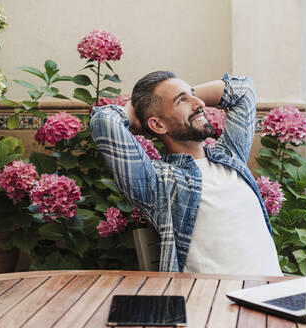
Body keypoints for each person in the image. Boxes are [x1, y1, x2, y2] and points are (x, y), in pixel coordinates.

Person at [90, 71, 282, 276]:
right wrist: (139, 108)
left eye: (193, 95)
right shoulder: (158, 182)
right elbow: (104, 122)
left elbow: (244, 90)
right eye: (182, 100)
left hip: (272, 296)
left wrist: (182, 94)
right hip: (211, 301)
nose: (199, 102)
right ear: (157, 124)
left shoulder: (231, 156)